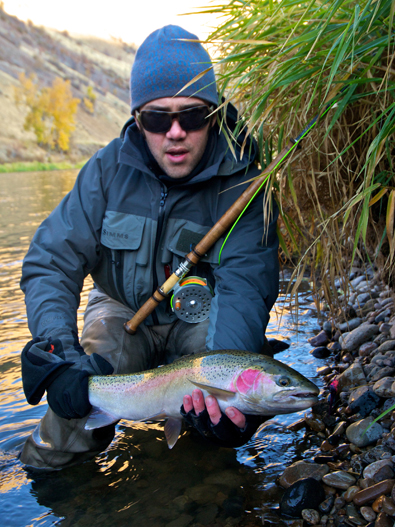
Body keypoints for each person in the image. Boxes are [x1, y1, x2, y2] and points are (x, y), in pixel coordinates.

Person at [19, 25, 279, 470]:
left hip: (202, 323)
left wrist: (231, 392)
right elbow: (50, 262)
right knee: (69, 416)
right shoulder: (105, 171)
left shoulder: (245, 184)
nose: (175, 132)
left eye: (192, 116)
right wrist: (59, 356)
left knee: (218, 420)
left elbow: (245, 290)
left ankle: (198, 491)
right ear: (138, 119)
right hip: (119, 308)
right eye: (158, 119)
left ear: (214, 113)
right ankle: (55, 491)